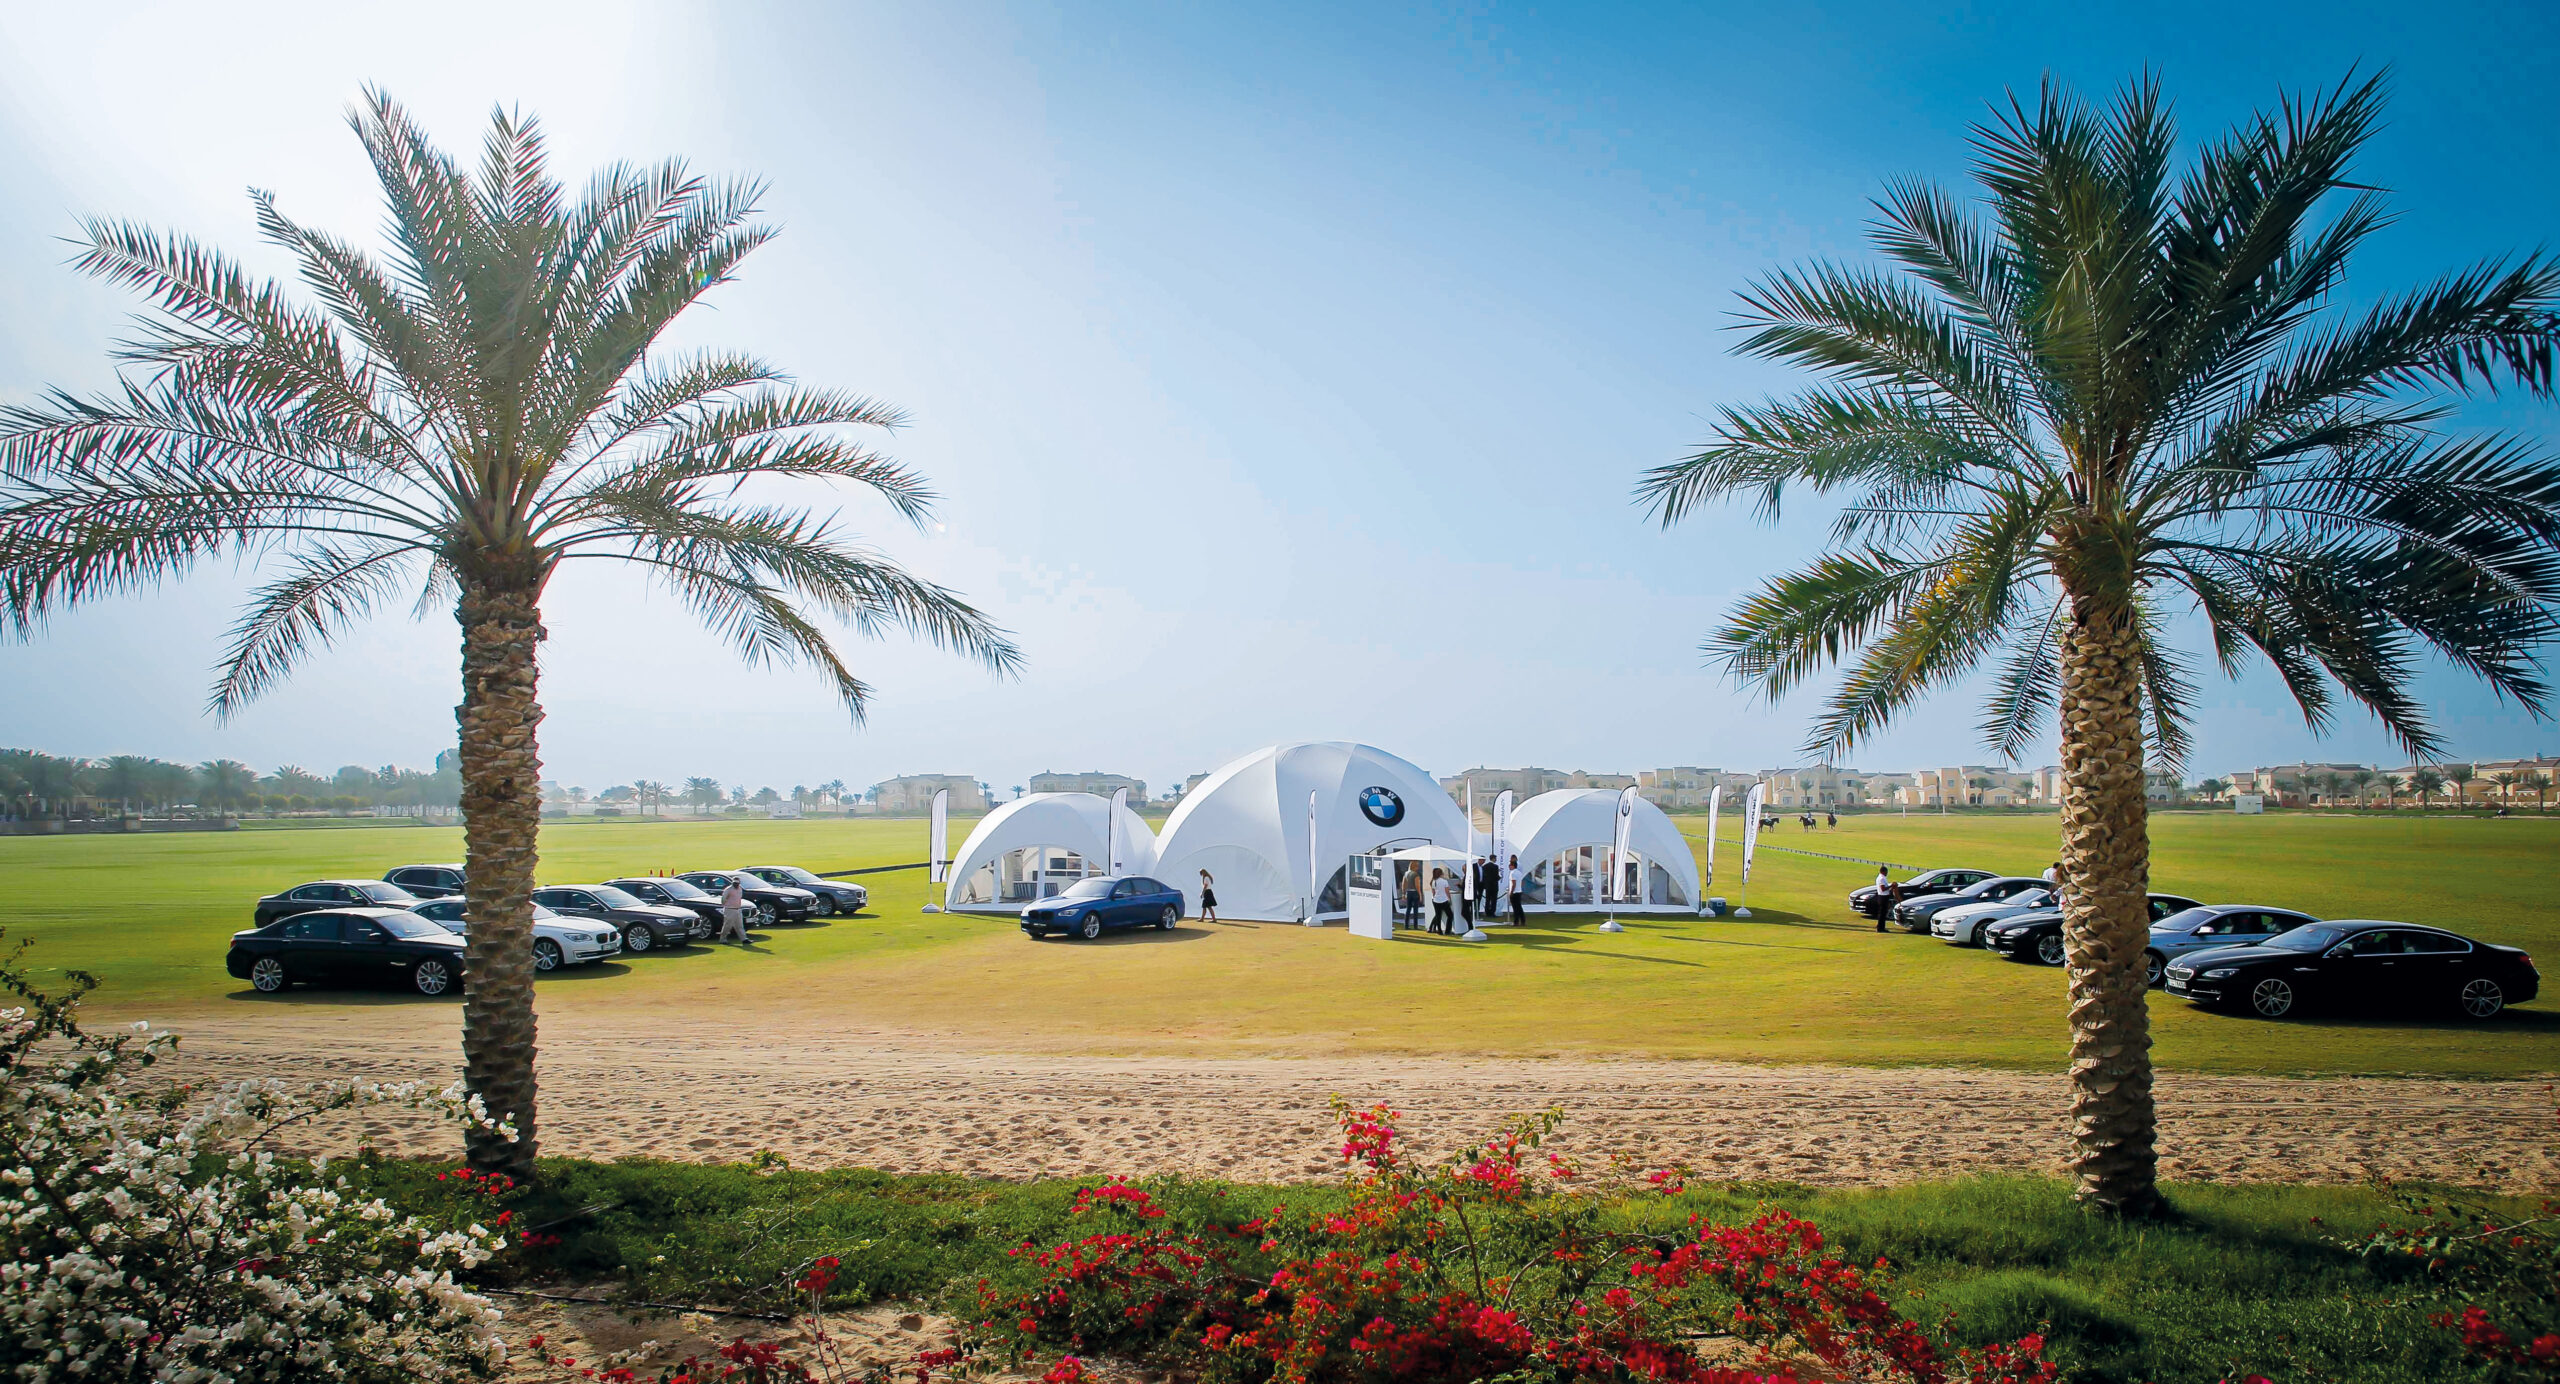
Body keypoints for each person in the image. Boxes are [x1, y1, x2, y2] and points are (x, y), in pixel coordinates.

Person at [718, 878, 748, 944]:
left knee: (740, 925)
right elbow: (723, 899)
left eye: (737, 883)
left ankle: (744, 939)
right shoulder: (728, 889)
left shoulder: (740, 889)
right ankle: (722, 939)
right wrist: (727, 906)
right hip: (730, 910)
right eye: (734, 883)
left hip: (738, 909)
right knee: (727, 925)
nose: (735, 884)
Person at [1428, 867, 1453, 934]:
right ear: (1440, 874)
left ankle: (1439, 930)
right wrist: (1449, 899)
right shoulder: (1444, 881)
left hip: (1436, 900)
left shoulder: (1433, 881)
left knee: (1438, 916)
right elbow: (1447, 892)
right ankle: (1448, 931)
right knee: (1450, 915)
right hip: (1444, 900)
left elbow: (1433, 892)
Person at [1505, 855, 1525, 926]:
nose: (1509, 866)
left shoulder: (1512, 873)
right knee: (1519, 907)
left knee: (1515, 908)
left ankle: (1516, 922)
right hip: (1519, 891)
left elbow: (1513, 883)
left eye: (1510, 865)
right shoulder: (1519, 873)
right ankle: (1523, 921)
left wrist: (1511, 892)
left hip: (1515, 892)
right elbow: (1522, 882)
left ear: (1513, 866)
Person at [1872, 865, 1892, 933]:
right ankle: (1881, 928)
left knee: (1882, 913)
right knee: (1882, 913)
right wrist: (1891, 886)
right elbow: (1883, 889)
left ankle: (1880, 926)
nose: (1887, 873)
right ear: (1883, 871)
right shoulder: (1882, 878)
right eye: (1886, 872)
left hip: (1882, 896)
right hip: (1883, 897)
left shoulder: (1880, 878)